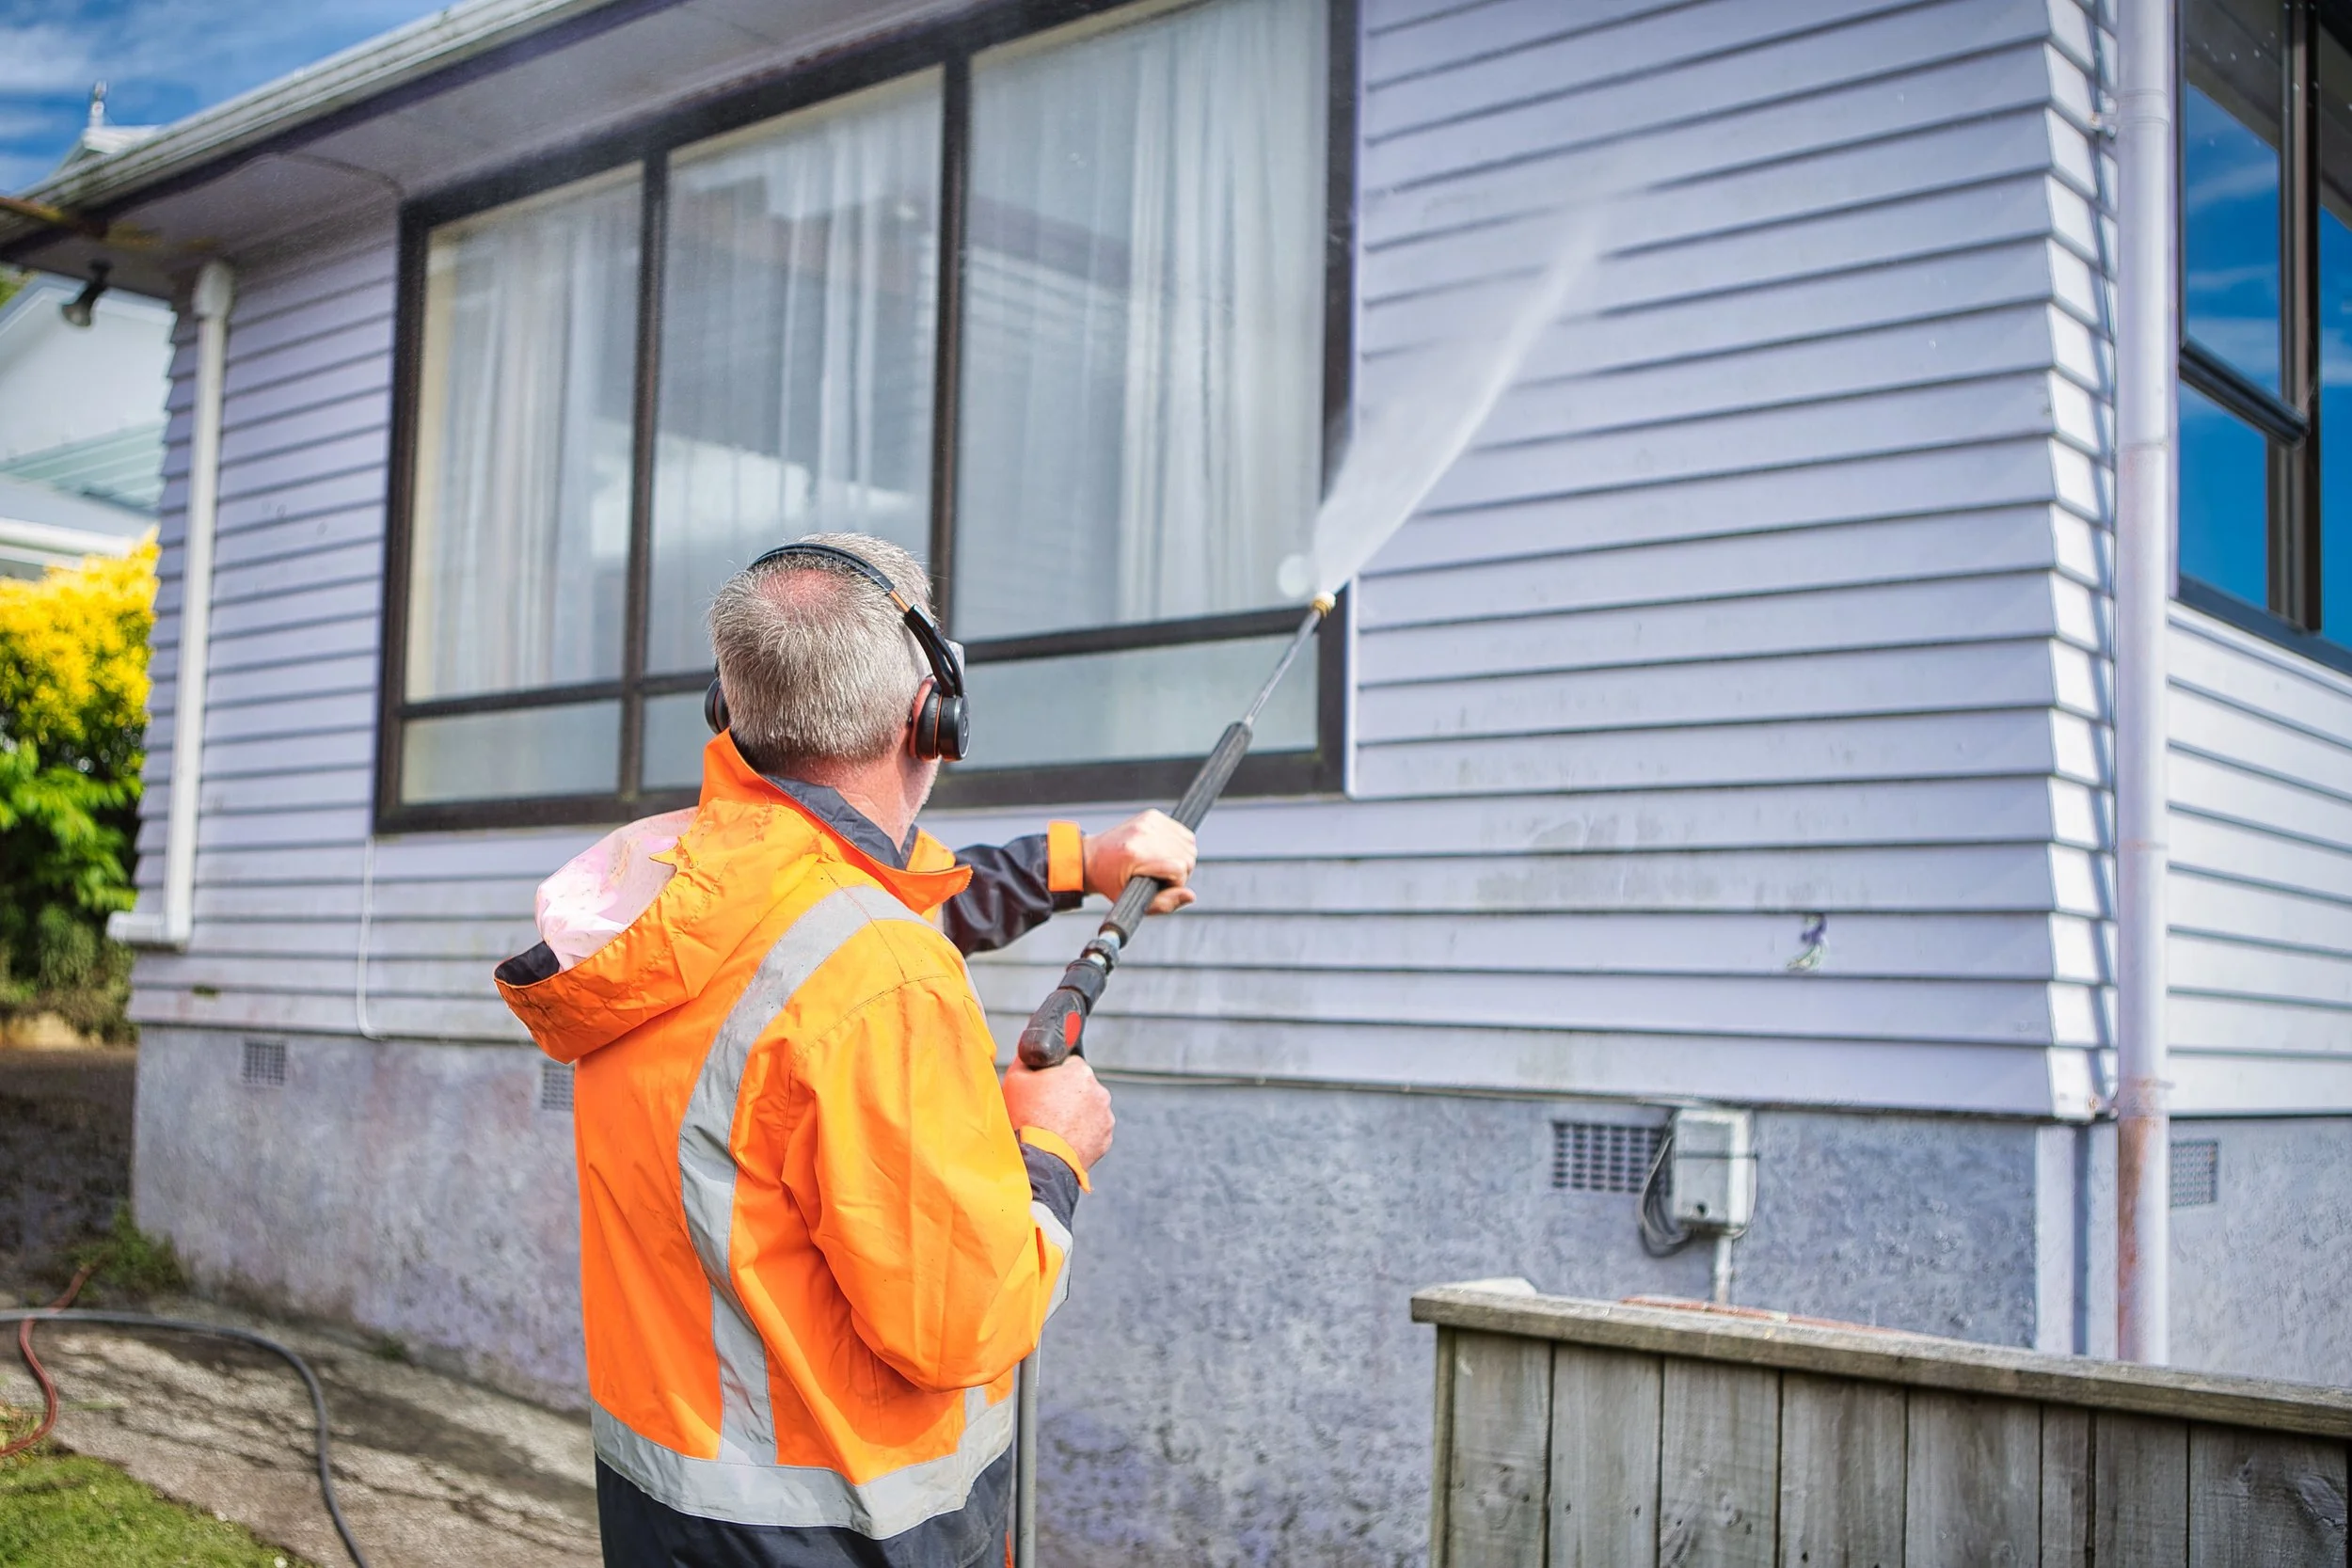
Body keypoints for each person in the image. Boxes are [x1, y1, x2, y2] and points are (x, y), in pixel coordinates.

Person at [494, 534, 1196, 1567]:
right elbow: (965, 1318)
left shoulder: (669, 888)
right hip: (850, 1531)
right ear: (931, 716)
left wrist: (1078, 863)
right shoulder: (881, 980)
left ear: (729, 711)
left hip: (672, 1517)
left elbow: (856, 898)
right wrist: (1052, 1152)